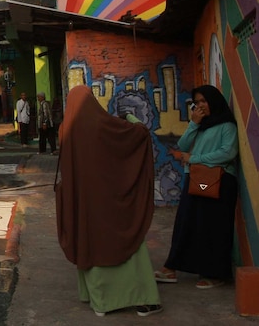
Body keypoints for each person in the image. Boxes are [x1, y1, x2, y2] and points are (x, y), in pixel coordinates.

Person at [56, 85, 162, 317]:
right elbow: (139, 133)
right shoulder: (103, 124)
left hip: (83, 202)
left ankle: (98, 301)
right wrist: (129, 116)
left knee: (90, 242)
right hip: (110, 201)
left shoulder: (66, 129)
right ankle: (141, 298)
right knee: (127, 241)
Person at [155, 84, 239, 289]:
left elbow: (228, 152)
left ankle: (214, 273)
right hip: (197, 180)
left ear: (214, 101)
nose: (200, 106)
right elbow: (182, 146)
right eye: (197, 102)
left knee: (213, 227)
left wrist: (195, 158)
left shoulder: (227, 125)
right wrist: (193, 124)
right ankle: (171, 267)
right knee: (186, 222)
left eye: (204, 101)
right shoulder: (201, 125)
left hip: (218, 181)